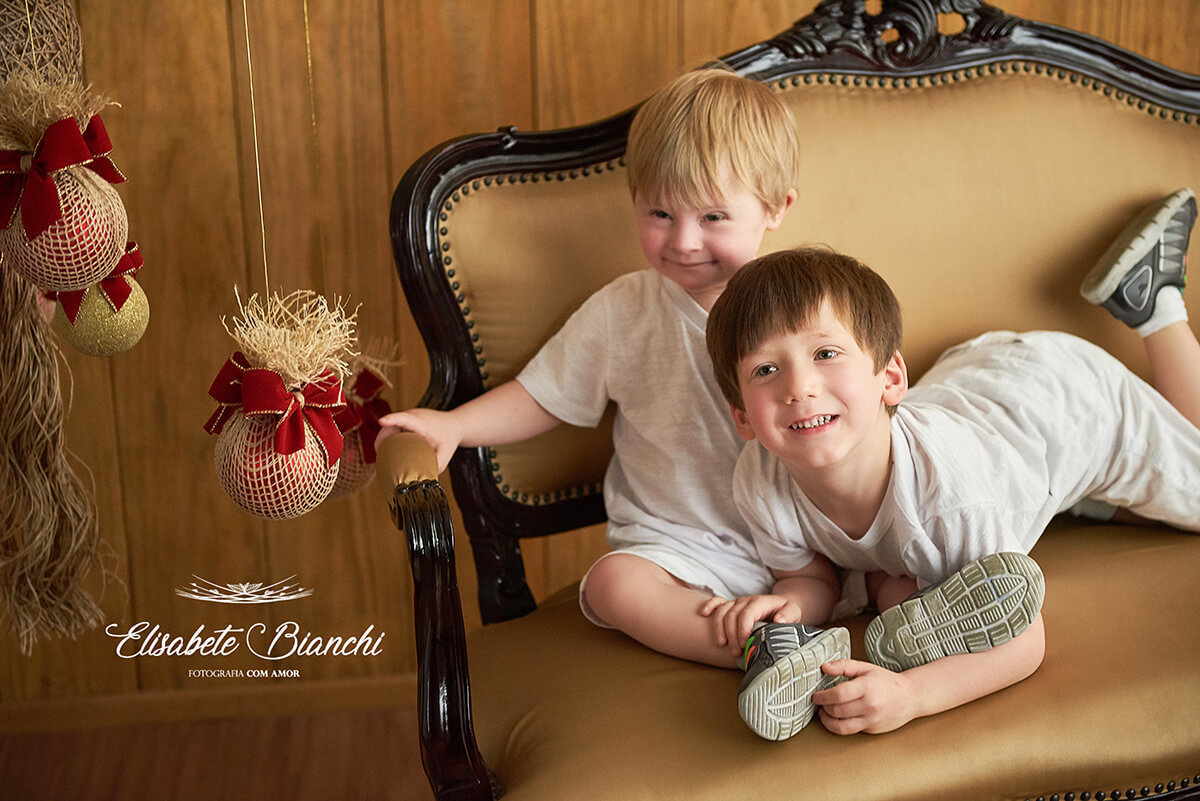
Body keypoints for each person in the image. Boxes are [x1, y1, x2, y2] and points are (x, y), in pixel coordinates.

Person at [376, 68, 853, 736]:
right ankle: (761, 649)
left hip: (791, 535)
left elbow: (855, 403)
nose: (683, 241)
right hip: (674, 540)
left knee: (820, 585)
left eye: (713, 217)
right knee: (612, 586)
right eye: (660, 214)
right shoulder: (623, 313)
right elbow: (542, 395)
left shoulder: (807, 307)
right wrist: (454, 424)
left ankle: (798, 628)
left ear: (775, 207)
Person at [703, 187, 1200, 738]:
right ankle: (1074, 507)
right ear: (743, 417)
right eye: (766, 371)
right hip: (972, 381)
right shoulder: (760, 479)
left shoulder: (950, 495)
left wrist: (913, 695)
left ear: (889, 378)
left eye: (825, 354)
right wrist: (788, 607)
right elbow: (808, 573)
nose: (799, 388)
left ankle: (1155, 303)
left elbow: (1025, 643)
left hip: (1068, 401)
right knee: (908, 583)